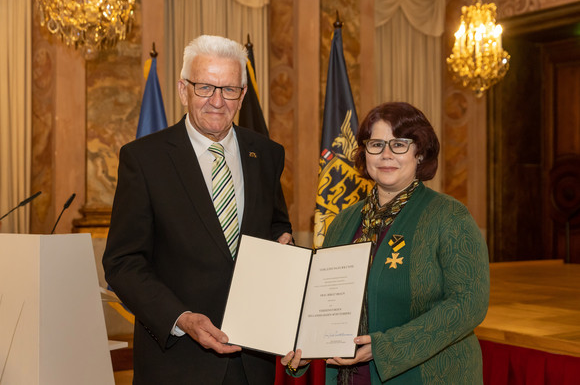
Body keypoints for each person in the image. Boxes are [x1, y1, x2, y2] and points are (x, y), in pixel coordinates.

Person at [103, 35, 293, 385]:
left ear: (243, 94)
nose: (218, 102)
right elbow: (122, 263)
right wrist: (181, 318)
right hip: (177, 363)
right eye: (205, 87)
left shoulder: (266, 154)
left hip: (253, 362)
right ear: (183, 90)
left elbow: (276, 226)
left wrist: (282, 248)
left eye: (229, 89)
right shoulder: (144, 160)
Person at [282, 102, 489, 384]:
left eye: (399, 144)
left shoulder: (449, 217)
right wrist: (305, 348)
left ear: (420, 153)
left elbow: (469, 304)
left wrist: (385, 347)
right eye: (376, 144)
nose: (386, 154)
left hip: (428, 376)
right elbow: (323, 302)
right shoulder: (342, 222)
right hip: (350, 377)